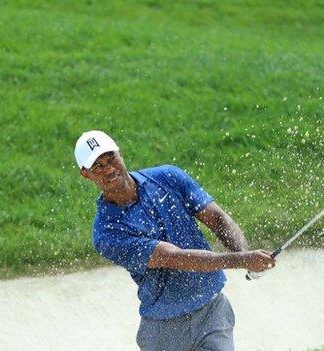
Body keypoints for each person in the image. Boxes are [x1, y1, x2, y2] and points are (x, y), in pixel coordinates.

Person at [74, 130, 276, 351]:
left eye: (111, 157)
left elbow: (217, 219)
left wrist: (243, 254)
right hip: (164, 332)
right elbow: (175, 257)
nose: (109, 168)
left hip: (212, 312)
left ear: (120, 153)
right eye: (98, 167)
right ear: (86, 174)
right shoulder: (106, 233)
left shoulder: (168, 177)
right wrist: (241, 259)